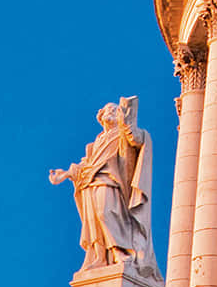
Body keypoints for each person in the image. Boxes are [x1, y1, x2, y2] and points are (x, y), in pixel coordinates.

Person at [49, 98, 158, 276]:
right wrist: (66, 174)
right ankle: (100, 257)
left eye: (115, 110)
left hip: (110, 181)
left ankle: (119, 250)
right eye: (109, 110)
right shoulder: (95, 144)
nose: (112, 112)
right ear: (101, 116)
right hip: (89, 184)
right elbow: (86, 165)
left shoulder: (122, 134)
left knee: (105, 212)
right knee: (93, 222)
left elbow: (137, 140)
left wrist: (128, 121)